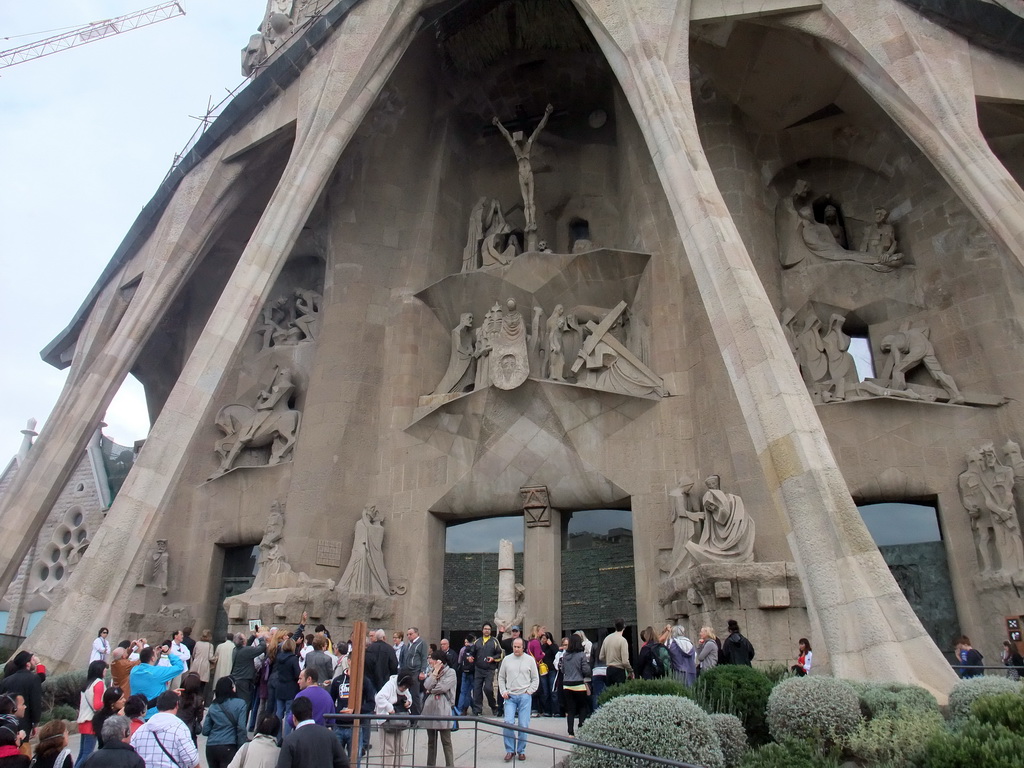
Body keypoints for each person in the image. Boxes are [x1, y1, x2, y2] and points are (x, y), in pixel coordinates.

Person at [130, 692, 199, 768]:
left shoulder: (142, 729)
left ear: (157, 706)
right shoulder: (180, 728)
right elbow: (192, 760)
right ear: (177, 704)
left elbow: (131, 754)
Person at [498, 639, 539, 762]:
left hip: (524, 695)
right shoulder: (507, 659)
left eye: (518, 647)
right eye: (514, 647)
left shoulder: (530, 660)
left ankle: (521, 750)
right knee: (508, 722)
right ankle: (510, 750)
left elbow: (535, 678)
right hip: (510, 696)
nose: (516, 649)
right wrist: (503, 691)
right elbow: (501, 677)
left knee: (523, 724)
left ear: (523, 647)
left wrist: (530, 691)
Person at [277, 696, 347, 768]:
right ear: (311, 713)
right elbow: (343, 763)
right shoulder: (329, 735)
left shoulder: (290, 740)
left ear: (294, 718)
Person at [0, 652, 43, 756]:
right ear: (27, 664)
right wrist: (35, 722)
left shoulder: (6, 681)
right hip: (25, 723)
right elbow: (35, 702)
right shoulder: (34, 679)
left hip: (6, 724)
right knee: (24, 754)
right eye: (32, 660)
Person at [421, 650, 456, 767]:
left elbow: (443, 687)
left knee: (446, 741)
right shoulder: (432, 671)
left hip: (443, 707)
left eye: (432, 659)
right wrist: (435, 672)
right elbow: (426, 685)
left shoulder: (451, 672)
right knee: (431, 741)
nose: (430, 661)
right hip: (430, 707)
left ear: (439, 661)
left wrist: (431, 689)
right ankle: (430, 765)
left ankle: (450, 765)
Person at [129, 646, 184, 719]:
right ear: (152, 658)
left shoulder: (134, 670)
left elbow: (148, 666)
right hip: (153, 714)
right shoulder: (158, 673)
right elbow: (179, 667)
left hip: (136, 712)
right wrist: (169, 653)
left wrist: (155, 656)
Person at [202, 677, 247, 768]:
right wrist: (241, 748)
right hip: (229, 745)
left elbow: (205, 730)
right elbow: (241, 728)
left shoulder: (213, 705)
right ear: (232, 688)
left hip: (211, 747)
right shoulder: (241, 704)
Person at [74, 661, 107, 768]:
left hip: (84, 721)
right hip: (91, 722)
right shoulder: (99, 683)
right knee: (87, 755)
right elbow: (97, 705)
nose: (106, 670)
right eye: (104, 668)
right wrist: (108, 702)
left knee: (82, 753)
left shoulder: (88, 683)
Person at [375, 674, 412, 768]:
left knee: (400, 748)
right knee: (388, 749)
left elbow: (409, 697)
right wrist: (389, 707)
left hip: (399, 720)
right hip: (387, 721)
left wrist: (409, 702)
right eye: (403, 687)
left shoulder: (405, 688)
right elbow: (379, 697)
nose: (404, 689)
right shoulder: (389, 685)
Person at [469, 623, 503, 716]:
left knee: (488, 689)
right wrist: (470, 657)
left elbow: (500, 654)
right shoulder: (477, 641)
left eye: (488, 629)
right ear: (482, 630)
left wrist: (493, 658)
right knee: (477, 690)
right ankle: (477, 710)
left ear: (490, 631)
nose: (486, 630)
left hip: (489, 669)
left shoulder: (495, 641)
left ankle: (493, 706)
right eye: (485, 629)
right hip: (478, 669)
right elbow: (471, 652)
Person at [559, 634, 591, 737]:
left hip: (567, 685)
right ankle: (581, 727)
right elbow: (586, 670)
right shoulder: (581, 655)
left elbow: (562, 670)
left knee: (570, 709)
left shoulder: (565, 655)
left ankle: (570, 732)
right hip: (578, 684)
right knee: (582, 707)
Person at [270, 637, 302, 738]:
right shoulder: (293, 659)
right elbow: (297, 674)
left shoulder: (279, 657)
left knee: (279, 713)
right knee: (289, 714)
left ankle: (277, 737)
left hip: (280, 687)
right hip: (290, 688)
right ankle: (287, 737)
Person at [398, 627, 427, 716]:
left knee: (415, 694)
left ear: (416, 634)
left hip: (415, 671)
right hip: (407, 671)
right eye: (408, 634)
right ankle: (409, 714)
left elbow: (423, 657)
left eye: (410, 634)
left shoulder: (421, 643)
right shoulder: (409, 644)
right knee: (407, 693)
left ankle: (416, 717)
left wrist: (422, 671)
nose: (409, 636)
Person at [599, 619, 633, 687]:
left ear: (614, 626)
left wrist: (609, 659)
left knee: (611, 693)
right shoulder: (623, 640)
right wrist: (630, 670)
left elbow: (601, 657)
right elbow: (625, 661)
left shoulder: (607, 638)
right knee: (619, 693)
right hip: (619, 670)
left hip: (609, 670)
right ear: (624, 626)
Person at [176, 673, 205, 746]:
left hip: (175, 727)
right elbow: (199, 717)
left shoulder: (177, 697)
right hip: (189, 730)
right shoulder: (198, 700)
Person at [189, 630, 215, 702]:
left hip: (196, 664)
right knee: (202, 685)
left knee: (193, 683)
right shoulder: (210, 645)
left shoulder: (197, 643)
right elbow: (210, 657)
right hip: (204, 665)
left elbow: (194, 654)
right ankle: (199, 701)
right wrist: (216, 658)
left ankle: (192, 699)